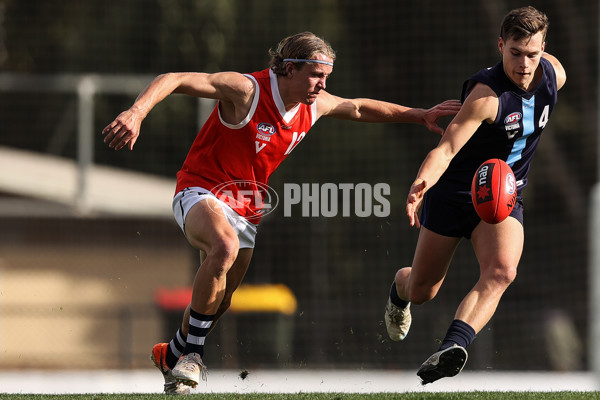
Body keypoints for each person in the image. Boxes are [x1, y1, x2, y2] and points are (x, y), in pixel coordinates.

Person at [102, 31, 460, 394]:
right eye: (316, 75)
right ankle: (192, 355)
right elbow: (175, 79)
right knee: (223, 248)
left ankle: (174, 352)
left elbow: (357, 107)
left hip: (247, 208)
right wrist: (137, 112)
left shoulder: (312, 106)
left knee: (220, 299)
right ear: (289, 68)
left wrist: (420, 115)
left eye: (327, 77)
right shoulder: (247, 90)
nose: (322, 85)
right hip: (200, 189)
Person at [383, 6, 566, 385]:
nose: (524, 63)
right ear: (501, 45)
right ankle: (400, 288)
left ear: (544, 49)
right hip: (451, 197)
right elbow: (446, 150)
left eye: (532, 54)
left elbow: (546, 68)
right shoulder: (486, 95)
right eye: (515, 52)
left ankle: (452, 347)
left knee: (502, 271)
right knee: (422, 291)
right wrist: (421, 185)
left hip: (501, 196)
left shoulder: (554, 74)